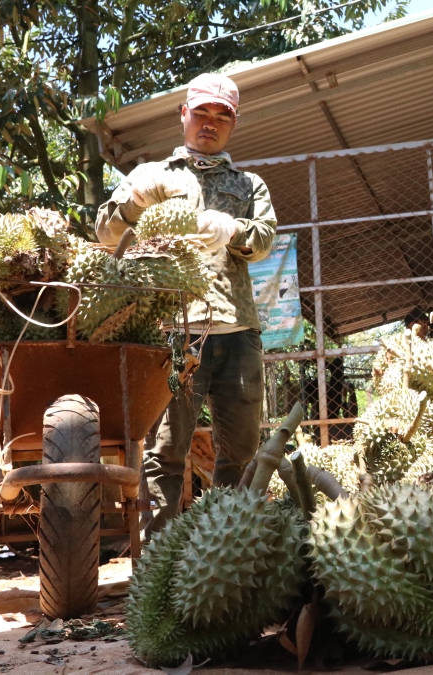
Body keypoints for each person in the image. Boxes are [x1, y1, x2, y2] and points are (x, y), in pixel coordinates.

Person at [94, 72, 276, 536]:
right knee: (167, 451)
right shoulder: (152, 176)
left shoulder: (249, 184)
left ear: (233, 124)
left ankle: (231, 547)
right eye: (201, 113)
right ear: (183, 115)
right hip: (174, 331)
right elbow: (106, 234)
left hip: (237, 331)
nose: (210, 124)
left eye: (222, 117)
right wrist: (135, 201)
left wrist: (233, 230)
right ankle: (162, 556)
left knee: (241, 448)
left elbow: (264, 241)